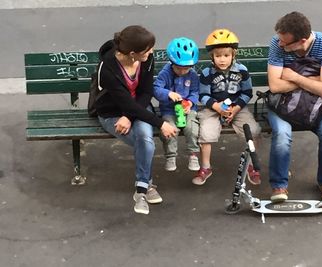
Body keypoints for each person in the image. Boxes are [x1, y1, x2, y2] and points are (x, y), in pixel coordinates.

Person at [95, 25, 177, 215]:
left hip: (136, 108)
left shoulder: (146, 60)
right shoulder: (107, 69)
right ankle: (145, 186)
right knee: (145, 142)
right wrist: (161, 123)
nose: (152, 52)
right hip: (112, 113)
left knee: (144, 140)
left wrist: (129, 116)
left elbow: (146, 92)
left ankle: (140, 191)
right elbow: (124, 102)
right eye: (147, 50)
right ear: (132, 53)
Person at [266, 11, 322, 207]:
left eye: (285, 43)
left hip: (315, 105)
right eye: (280, 40)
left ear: (302, 41)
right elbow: (275, 86)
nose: (280, 45)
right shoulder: (277, 42)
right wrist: (313, 80)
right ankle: (279, 185)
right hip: (281, 103)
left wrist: (294, 76)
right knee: (282, 135)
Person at [193, 28, 262, 186]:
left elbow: (247, 92)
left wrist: (236, 108)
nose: (222, 60)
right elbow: (203, 95)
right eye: (218, 56)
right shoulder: (206, 73)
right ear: (212, 56)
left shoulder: (242, 71)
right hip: (213, 108)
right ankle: (205, 167)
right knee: (205, 132)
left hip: (237, 107)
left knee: (254, 130)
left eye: (226, 55)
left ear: (233, 55)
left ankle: (251, 165)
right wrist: (217, 107)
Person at [153, 37, 200, 172]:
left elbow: (195, 92)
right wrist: (168, 93)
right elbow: (156, 89)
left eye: (186, 68)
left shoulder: (193, 75)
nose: (183, 72)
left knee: (191, 128)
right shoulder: (165, 73)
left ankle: (193, 154)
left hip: (187, 109)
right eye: (179, 68)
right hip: (169, 110)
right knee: (170, 129)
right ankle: (171, 156)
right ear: (172, 62)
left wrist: (190, 102)